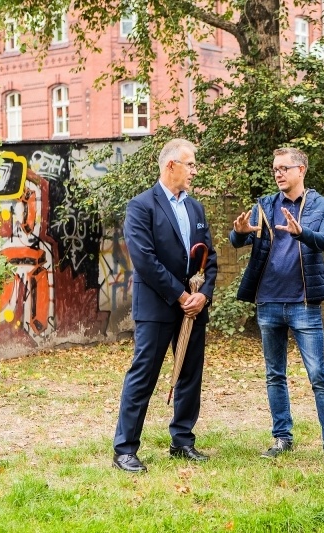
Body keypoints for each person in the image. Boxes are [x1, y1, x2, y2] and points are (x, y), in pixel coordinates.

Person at [229, 147, 324, 468]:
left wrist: (301, 232)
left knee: (319, 375)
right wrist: (238, 234)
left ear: (301, 170)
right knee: (274, 374)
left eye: (284, 168)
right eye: (275, 168)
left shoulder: (321, 205)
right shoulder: (265, 205)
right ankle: (282, 437)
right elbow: (239, 239)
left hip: (304, 305)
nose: (278, 173)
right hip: (268, 302)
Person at [113, 138, 218, 473]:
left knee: (189, 374)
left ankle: (182, 442)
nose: (194, 171)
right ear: (171, 165)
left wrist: (203, 295)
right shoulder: (141, 206)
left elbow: (210, 257)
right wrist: (180, 295)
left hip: (193, 309)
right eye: (190, 164)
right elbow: (144, 259)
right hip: (158, 306)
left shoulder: (196, 208)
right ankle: (125, 449)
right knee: (143, 375)